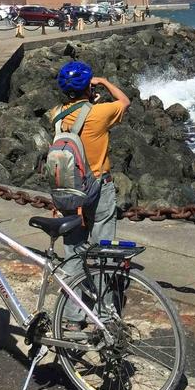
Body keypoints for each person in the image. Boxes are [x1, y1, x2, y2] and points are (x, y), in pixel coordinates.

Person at [52, 61, 130, 326]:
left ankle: (73, 316)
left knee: (73, 250)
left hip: (67, 186)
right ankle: (105, 312)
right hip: (98, 185)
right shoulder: (100, 113)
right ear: (88, 86)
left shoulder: (57, 115)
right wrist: (105, 82)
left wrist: (86, 96)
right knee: (102, 249)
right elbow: (125, 101)